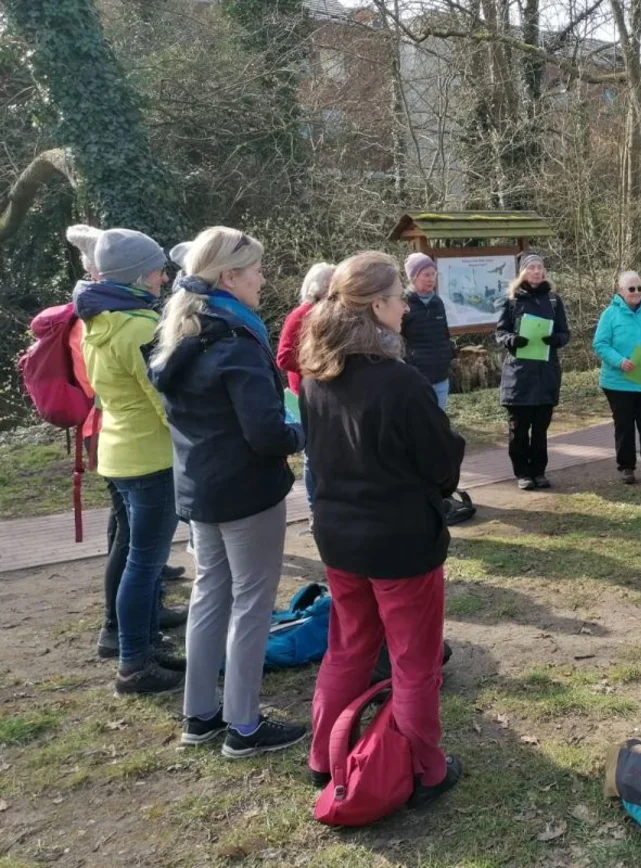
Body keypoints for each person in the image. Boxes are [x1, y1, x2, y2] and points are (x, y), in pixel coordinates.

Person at [299, 251, 466, 806]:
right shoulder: (400, 382)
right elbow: (442, 462)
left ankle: (324, 757)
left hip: (341, 538)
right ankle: (425, 768)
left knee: (347, 649)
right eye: (398, 298)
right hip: (399, 543)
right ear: (377, 306)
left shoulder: (318, 375)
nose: (405, 308)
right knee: (414, 661)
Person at [149, 227, 308, 757]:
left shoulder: (181, 335)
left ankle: (199, 715)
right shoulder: (235, 343)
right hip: (245, 491)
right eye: (257, 269)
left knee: (210, 595)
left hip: (200, 489)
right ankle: (243, 725)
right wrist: (301, 432)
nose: (263, 279)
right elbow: (265, 433)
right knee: (251, 604)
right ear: (230, 276)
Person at [65, 227, 188, 659]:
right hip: (149, 457)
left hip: (116, 448)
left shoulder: (98, 319)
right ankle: (135, 658)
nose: (162, 279)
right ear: (137, 276)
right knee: (145, 562)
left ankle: (133, 635)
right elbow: (164, 399)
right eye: (156, 271)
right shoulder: (140, 327)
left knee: (133, 552)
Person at [495, 253, 570, 491]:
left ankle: (539, 472)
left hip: (546, 373)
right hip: (519, 375)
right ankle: (522, 473)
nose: (537, 271)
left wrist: (555, 339)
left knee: (540, 429)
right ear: (522, 272)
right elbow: (500, 333)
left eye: (540, 267)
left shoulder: (554, 300)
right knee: (518, 428)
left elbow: (565, 333)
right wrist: (513, 339)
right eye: (532, 267)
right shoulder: (511, 300)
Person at [592, 270, 641, 484]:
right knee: (624, 426)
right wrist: (619, 361)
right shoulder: (610, 314)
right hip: (618, 382)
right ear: (620, 291)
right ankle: (626, 467)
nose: (636, 292)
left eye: (640, 288)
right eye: (631, 289)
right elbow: (600, 344)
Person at [276, 262, 335, 512]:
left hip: (327, 393)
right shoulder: (301, 314)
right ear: (320, 287)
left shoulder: (329, 313)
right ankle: (314, 509)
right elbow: (283, 357)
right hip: (307, 396)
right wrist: (319, 366)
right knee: (313, 454)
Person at [400, 252, 457, 410]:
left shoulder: (437, 302)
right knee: (419, 423)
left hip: (440, 375)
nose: (431, 279)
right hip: (416, 377)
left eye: (433, 274)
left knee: (439, 423)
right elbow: (397, 339)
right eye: (426, 275)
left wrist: (449, 351)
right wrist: (408, 362)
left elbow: (444, 334)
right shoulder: (403, 303)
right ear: (413, 277)